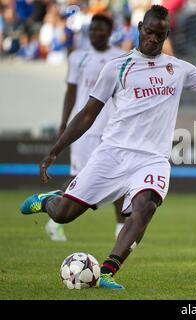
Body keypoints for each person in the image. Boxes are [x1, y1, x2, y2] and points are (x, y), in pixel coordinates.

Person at [20, 5, 196, 289]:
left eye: (159, 34)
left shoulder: (178, 68)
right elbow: (88, 113)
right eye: (148, 32)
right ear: (139, 29)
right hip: (112, 154)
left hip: (152, 159)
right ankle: (48, 200)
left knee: (145, 207)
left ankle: (108, 271)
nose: (153, 38)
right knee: (63, 213)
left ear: (167, 34)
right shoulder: (117, 68)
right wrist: (55, 149)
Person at [45, 14, 126, 242]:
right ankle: (53, 218)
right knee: (78, 178)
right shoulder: (78, 57)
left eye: (100, 30)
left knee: (118, 178)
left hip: (112, 129)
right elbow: (71, 92)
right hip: (85, 130)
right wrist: (64, 123)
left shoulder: (120, 57)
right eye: (92, 30)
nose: (95, 34)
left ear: (109, 32)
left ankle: (121, 229)